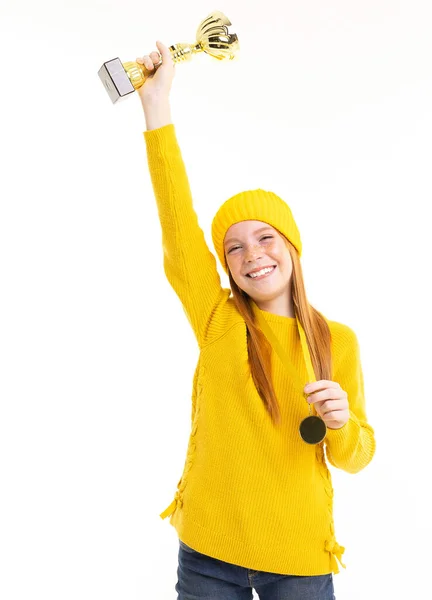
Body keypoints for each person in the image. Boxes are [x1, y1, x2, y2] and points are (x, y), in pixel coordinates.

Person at [137, 40, 376, 600]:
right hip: (207, 553)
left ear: (292, 248)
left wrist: (342, 424)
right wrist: (156, 107)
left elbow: (356, 456)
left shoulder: (336, 340)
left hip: (297, 558)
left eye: (265, 237)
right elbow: (177, 224)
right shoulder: (217, 317)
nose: (251, 255)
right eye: (234, 248)